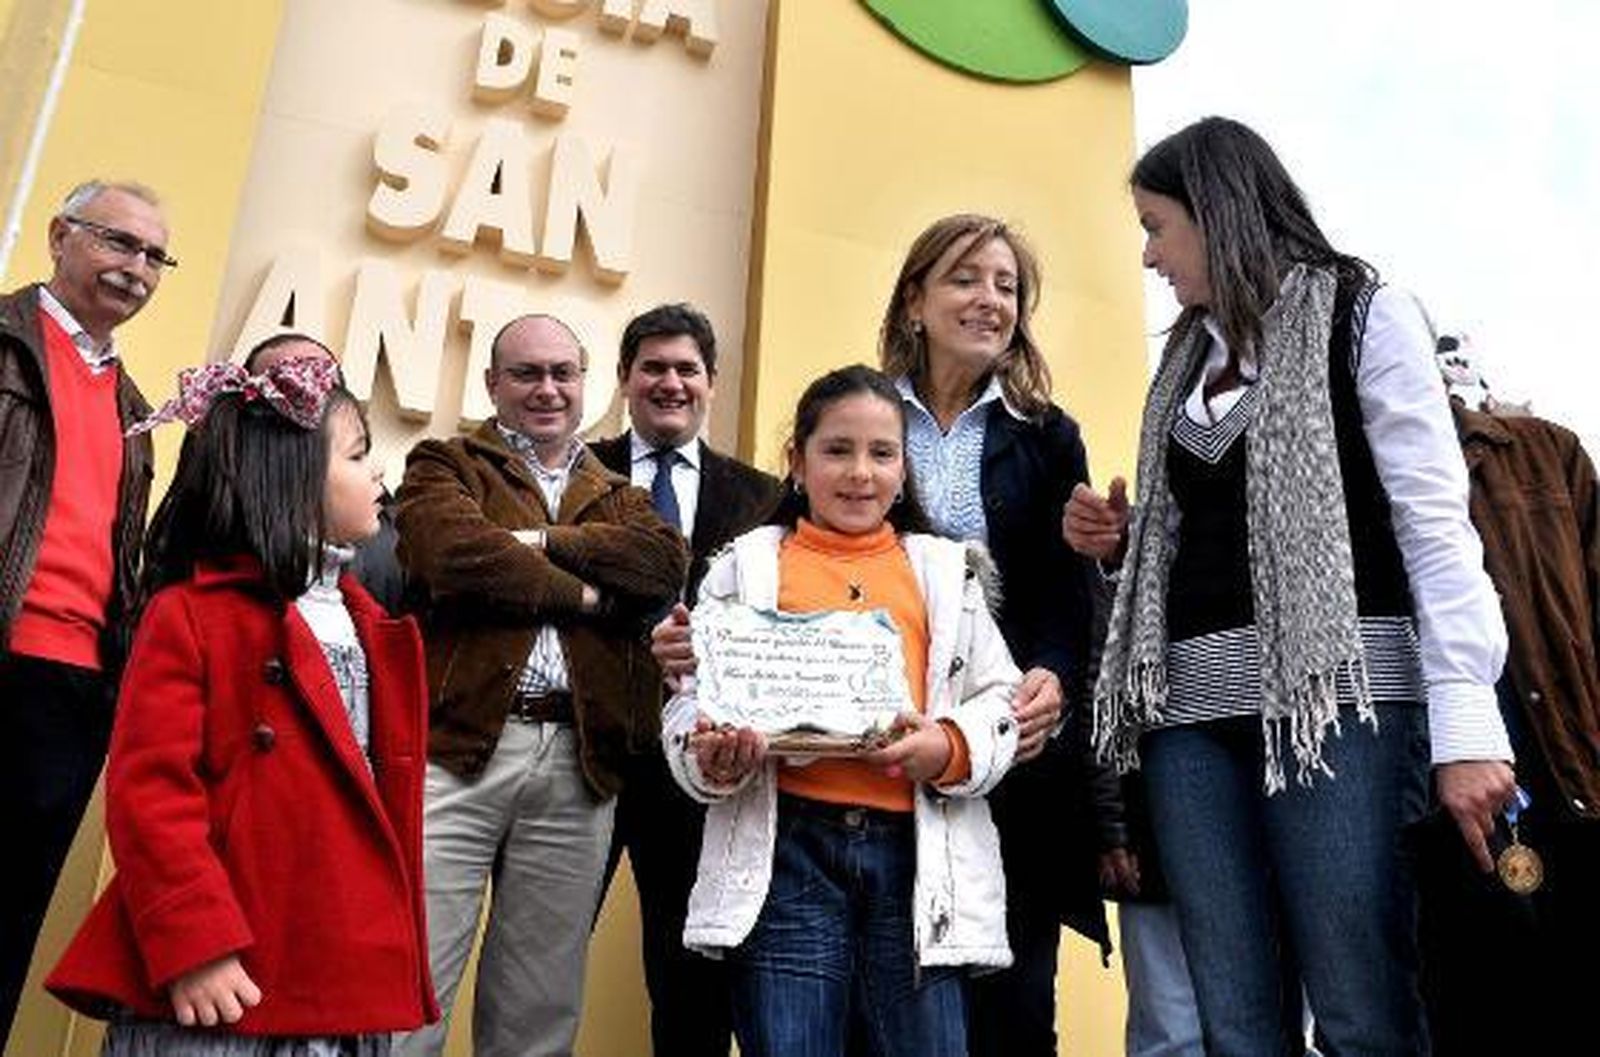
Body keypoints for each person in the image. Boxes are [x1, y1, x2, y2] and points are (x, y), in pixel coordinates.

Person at [1064, 116, 1515, 1055]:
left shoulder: (1364, 311)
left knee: (1359, 1003)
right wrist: (1124, 543)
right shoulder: (1184, 359)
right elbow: (1218, 537)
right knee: (1233, 1015)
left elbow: (1433, 523)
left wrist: (1468, 721)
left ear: (1217, 213)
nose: (1148, 255)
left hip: (1338, 706)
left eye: (1157, 225)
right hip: (1189, 714)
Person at [45, 353, 437, 1054]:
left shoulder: (371, 625)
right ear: (292, 481)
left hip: (333, 974)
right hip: (219, 980)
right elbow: (152, 791)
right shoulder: (194, 616)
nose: (381, 472)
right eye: (358, 454)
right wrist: (194, 941)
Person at [663, 364, 1020, 1057]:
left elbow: (998, 696)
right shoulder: (745, 565)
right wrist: (711, 755)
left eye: (882, 453)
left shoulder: (945, 571)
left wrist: (946, 747)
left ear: (904, 468)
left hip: (918, 860)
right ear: (796, 461)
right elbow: (687, 710)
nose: (861, 472)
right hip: (787, 855)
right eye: (837, 449)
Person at [393, 314, 686, 1057]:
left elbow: (658, 566)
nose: (547, 389)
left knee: (539, 1002)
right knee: (409, 982)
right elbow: (452, 554)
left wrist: (537, 542)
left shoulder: (619, 492)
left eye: (563, 372)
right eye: (526, 373)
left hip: (578, 761)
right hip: (455, 750)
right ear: (493, 384)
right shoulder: (447, 462)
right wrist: (588, 595)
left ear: (586, 384)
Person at [877, 213, 1107, 1056]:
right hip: (888, 742)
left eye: (1006, 286)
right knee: (893, 991)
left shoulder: (1049, 436)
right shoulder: (862, 412)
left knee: (1013, 999)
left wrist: (1052, 670)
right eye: (966, 279)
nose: (990, 300)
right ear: (916, 300)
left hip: (1012, 750)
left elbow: (1062, 587)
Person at [0, 179, 169, 1043]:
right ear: (62, 234)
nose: (136, 269)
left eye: (152, 256)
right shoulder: (4, 344)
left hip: (72, 693)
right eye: (118, 243)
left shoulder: (133, 405)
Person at [589, 303, 780, 1057]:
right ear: (626, 380)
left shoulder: (763, 495)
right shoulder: (578, 471)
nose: (670, 382)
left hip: (700, 768)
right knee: (540, 958)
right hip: (590, 757)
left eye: (686, 369)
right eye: (654, 368)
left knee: (692, 980)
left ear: (710, 383)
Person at [1413, 359, 1600, 1054]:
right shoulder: (1356, 478)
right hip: (1436, 809)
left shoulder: (1548, 454)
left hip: (1568, 778)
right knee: (1472, 1006)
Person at [243, 333, 407, 613]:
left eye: (323, 383)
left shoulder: (395, 533)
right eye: (283, 389)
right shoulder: (207, 546)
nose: (307, 399)